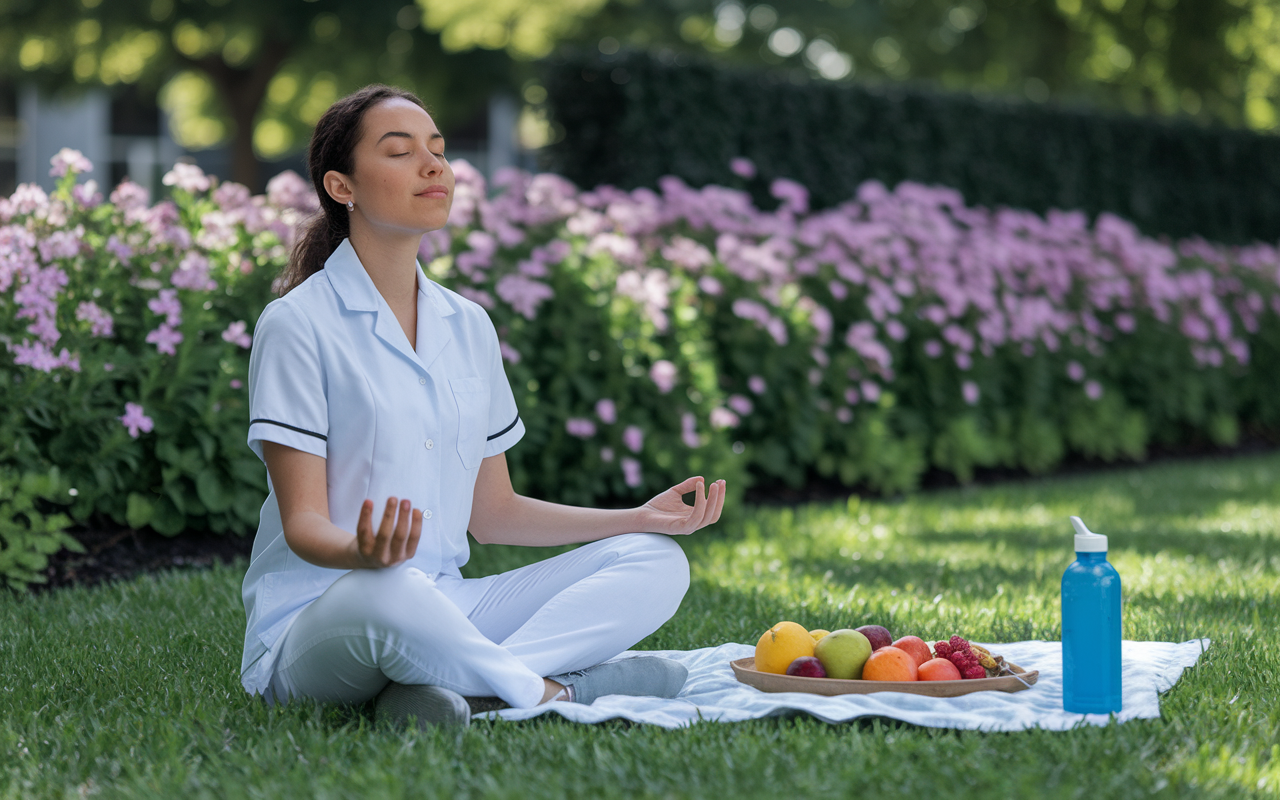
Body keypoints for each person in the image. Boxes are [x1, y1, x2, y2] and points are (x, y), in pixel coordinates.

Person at [239, 84, 727, 729]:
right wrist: (365, 552)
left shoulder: (467, 325)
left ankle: (463, 689)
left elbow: (493, 515)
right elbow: (303, 525)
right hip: (332, 610)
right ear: (341, 186)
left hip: (449, 604)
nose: (434, 165)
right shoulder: (297, 323)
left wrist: (635, 517)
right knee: (394, 589)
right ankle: (557, 692)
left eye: (437, 150)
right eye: (401, 151)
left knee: (652, 559)